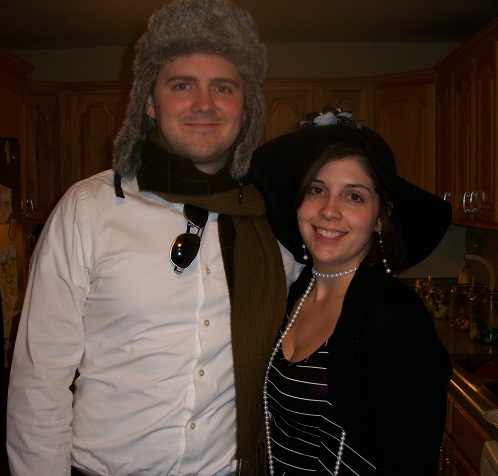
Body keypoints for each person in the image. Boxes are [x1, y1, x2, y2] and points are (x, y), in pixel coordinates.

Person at [7, 1, 300, 474]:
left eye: (223, 87)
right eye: (182, 85)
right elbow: (39, 380)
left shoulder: (276, 221)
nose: (204, 104)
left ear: (246, 106)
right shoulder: (89, 209)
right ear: (148, 101)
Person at [249, 107, 453, 475]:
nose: (329, 211)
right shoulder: (292, 294)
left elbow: (411, 462)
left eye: (354, 196)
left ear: (380, 218)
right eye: (317, 190)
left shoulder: (396, 319)